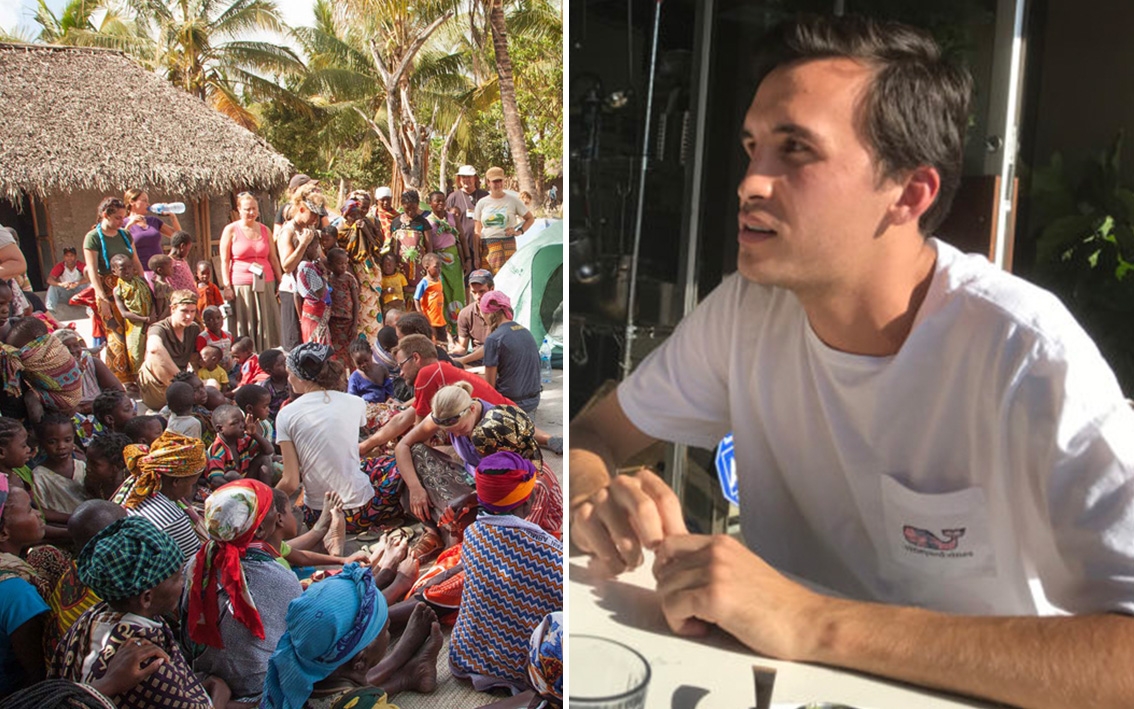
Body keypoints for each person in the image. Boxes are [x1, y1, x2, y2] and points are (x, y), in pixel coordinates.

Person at [569, 14, 1134, 709]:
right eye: (753, 147)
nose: (749, 181)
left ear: (910, 193)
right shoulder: (749, 311)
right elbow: (594, 434)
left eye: (796, 150)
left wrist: (813, 621)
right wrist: (596, 497)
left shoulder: (1024, 354)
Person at [49, 516, 224, 708]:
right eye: (176, 577)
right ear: (147, 598)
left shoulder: (93, 615)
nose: (183, 582)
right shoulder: (145, 662)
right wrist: (220, 692)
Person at [448, 451, 562, 694]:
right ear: (528, 501)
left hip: (468, 656)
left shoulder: (472, 534)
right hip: (522, 669)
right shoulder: (550, 552)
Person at [261, 562, 444, 709]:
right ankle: (404, 668)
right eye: (385, 629)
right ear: (360, 660)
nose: (388, 634)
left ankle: (406, 676)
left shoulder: (289, 683)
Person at [184, 479, 302, 703]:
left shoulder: (197, 563)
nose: (277, 514)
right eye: (272, 510)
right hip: (256, 688)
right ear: (261, 529)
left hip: (210, 675)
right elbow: (299, 635)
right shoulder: (278, 578)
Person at [275, 344, 402, 534]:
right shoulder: (355, 402)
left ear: (300, 376)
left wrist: (264, 502)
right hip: (361, 512)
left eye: (289, 373)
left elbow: (291, 482)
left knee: (363, 466)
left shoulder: (286, 414)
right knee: (399, 463)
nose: (289, 379)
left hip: (317, 516)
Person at [359, 334, 513, 457]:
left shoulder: (427, 374)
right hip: (511, 421)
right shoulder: (440, 369)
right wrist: (367, 445)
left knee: (418, 450)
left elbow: (419, 437)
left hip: (503, 435)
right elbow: (404, 418)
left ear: (416, 358)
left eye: (401, 365)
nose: (400, 373)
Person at [83, 197, 147, 386]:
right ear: (105, 215)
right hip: (107, 289)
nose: (122, 221)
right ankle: (121, 381)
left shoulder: (124, 235)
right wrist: (102, 297)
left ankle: (139, 376)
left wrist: (144, 285)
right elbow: (92, 270)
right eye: (118, 218)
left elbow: (136, 261)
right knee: (116, 336)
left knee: (134, 333)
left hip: (130, 289)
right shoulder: (93, 237)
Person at [116, 430, 205, 561]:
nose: (190, 491)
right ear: (176, 481)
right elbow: (195, 568)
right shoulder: (173, 519)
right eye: (192, 484)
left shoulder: (137, 481)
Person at [0, 477, 50, 698]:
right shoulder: (17, 593)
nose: (38, 513)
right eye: (30, 510)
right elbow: (37, 671)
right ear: (4, 533)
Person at [220, 192, 283, 352]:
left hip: (265, 282)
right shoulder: (231, 230)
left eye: (254, 209)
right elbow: (225, 261)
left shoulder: (265, 230)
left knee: (266, 320)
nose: (251, 213)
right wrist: (226, 286)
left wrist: (280, 280)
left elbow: (273, 258)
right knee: (246, 321)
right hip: (242, 284)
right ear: (239, 210)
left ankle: (267, 354)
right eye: (247, 209)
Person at [276, 183, 330, 351]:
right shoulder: (288, 231)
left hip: (309, 293)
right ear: (301, 209)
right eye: (313, 214)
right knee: (293, 342)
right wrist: (302, 245)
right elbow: (287, 265)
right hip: (292, 291)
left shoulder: (309, 229)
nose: (315, 219)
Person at [334, 191, 386, 344]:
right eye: (357, 211)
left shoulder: (369, 222)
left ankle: (374, 343)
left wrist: (365, 231)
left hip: (370, 271)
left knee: (372, 308)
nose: (361, 214)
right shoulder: (340, 228)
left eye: (365, 209)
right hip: (353, 271)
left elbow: (378, 245)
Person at [136, 290, 201, 410]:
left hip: (184, 385)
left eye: (192, 311)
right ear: (173, 309)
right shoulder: (159, 328)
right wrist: (182, 379)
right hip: (157, 385)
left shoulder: (193, 329)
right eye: (184, 311)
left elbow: (196, 358)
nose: (189, 316)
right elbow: (154, 349)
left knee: (213, 384)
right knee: (155, 354)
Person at [480, 291, 541, 413]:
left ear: (487, 313)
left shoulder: (493, 339)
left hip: (511, 405)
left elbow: (489, 387)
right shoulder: (525, 331)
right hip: (534, 400)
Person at [473, 167, 533, 274]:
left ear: (504, 181)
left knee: (508, 280)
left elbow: (530, 218)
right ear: (488, 183)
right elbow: (477, 232)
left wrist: (519, 231)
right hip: (488, 247)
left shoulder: (513, 200)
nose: (498, 184)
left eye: (500, 180)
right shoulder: (482, 203)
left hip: (508, 246)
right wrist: (476, 256)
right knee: (488, 282)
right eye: (494, 181)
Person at [426, 190, 469, 332]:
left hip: (454, 261)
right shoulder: (428, 222)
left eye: (442, 200)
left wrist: (467, 259)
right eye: (436, 201)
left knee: (457, 292)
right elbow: (429, 246)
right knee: (441, 293)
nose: (440, 203)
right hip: (438, 262)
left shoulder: (452, 218)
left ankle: (460, 329)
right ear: (430, 204)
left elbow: (461, 239)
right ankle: (445, 331)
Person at [205, 405, 274, 487]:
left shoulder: (242, 440)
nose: (242, 425)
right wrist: (241, 489)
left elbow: (269, 451)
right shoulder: (217, 449)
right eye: (236, 423)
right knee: (232, 475)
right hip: (227, 487)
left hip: (243, 479)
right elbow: (216, 480)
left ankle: (267, 492)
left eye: (242, 421)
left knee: (265, 458)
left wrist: (254, 434)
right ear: (220, 429)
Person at [121, 189, 182, 280]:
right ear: (132, 202)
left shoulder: (153, 221)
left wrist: (172, 216)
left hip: (160, 272)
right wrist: (130, 224)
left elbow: (178, 237)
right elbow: (121, 241)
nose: (148, 204)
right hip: (140, 271)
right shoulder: (123, 223)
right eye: (144, 200)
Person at [445, 165, 488, 268]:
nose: (466, 180)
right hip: (463, 247)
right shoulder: (453, 197)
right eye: (463, 177)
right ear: (459, 179)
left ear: (475, 178)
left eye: (469, 177)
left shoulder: (485, 195)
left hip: (484, 244)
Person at [388, 190, 432, 287]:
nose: (411, 211)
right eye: (407, 208)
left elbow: (429, 248)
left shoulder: (423, 223)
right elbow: (392, 245)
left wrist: (428, 268)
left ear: (418, 204)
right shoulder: (395, 223)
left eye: (414, 208)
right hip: (399, 267)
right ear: (402, 205)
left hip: (418, 268)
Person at [452, 269, 494, 365]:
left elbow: (492, 346)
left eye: (482, 291)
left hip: (497, 356)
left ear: (492, 289)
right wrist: (450, 354)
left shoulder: (500, 311)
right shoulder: (465, 313)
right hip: (476, 358)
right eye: (474, 292)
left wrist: (464, 360)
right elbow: (462, 347)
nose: (478, 297)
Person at [326, 247, 360, 363]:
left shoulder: (349, 279)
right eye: (340, 263)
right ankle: (341, 375)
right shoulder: (328, 279)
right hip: (334, 322)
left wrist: (355, 324)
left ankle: (353, 375)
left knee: (351, 351)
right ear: (330, 265)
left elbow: (356, 302)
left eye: (345, 263)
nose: (343, 266)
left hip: (349, 322)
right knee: (337, 352)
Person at [413, 253, 448, 344]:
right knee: (432, 341)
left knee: (443, 341)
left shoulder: (439, 280)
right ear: (427, 267)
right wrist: (420, 314)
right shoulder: (424, 282)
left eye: (440, 267)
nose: (439, 269)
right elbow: (416, 298)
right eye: (436, 267)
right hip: (430, 319)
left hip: (439, 318)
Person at [45, 247, 88, 314]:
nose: (69, 258)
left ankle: (91, 310)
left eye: (71, 256)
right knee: (53, 287)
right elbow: (49, 280)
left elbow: (90, 278)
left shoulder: (80, 265)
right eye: (67, 256)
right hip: (66, 292)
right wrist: (61, 284)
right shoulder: (60, 266)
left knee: (90, 285)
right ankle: (50, 310)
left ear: (75, 256)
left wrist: (77, 283)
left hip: (79, 293)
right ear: (64, 257)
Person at [146, 254, 172, 319]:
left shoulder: (165, 282)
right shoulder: (160, 285)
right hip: (165, 315)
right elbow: (159, 304)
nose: (172, 269)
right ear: (160, 270)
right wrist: (160, 319)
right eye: (170, 267)